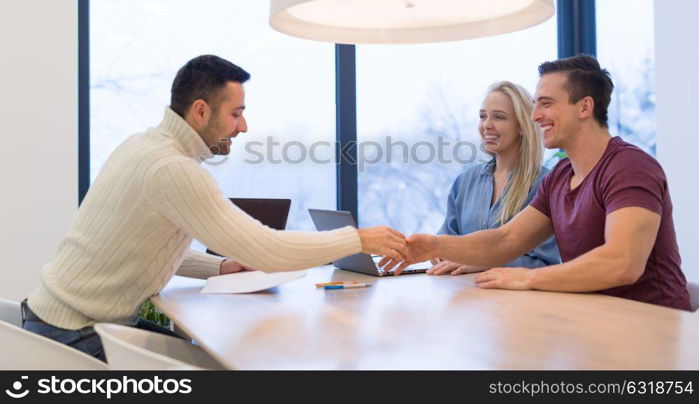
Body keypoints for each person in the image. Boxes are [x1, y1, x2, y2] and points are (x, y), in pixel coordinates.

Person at [23, 55, 407, 360]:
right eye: (236, 113)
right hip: (75, 336)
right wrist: (356, 239)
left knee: (207, 356)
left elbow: (139, 242)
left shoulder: (141, 147)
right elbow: (267, 249)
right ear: (201, 111)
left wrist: (219, 266)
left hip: (54, 320)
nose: (243, 127)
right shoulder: (172, 169)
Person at [384, 55, 691, 311]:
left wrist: (528, 278)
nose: (534, 116)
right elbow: (505, 240)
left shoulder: (629, 167)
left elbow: (622, 262)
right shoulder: (560, 177)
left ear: (585, 107)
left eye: (545, 103)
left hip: (652, 326)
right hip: (593, 319)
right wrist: (434, 245)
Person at [429, 81, 559, 276]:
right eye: (483, 116)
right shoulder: (466, 181)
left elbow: (544, 262)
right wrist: (439, 252)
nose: (486, 125)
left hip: (518, 301)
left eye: (499, 117)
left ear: (522, 126)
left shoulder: (546, 184)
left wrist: (486, 263)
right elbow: (446, 238)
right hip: (464, 294)